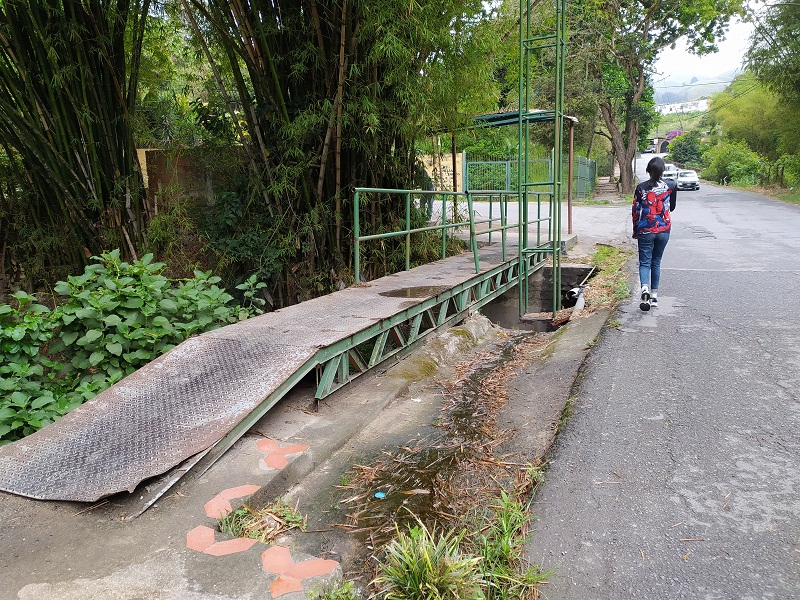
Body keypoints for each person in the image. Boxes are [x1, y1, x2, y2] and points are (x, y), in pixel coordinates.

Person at [632, 156, 677, 311]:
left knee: (645, 262)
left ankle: (644, 288)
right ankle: (655, 296)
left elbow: (636, 210)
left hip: (645, 229)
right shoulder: (671, 185)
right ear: (663, 170)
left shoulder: (641, 187)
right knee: (656, 262)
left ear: (648, 171)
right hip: (664, 229)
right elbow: (671, 207)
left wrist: (635, 229)